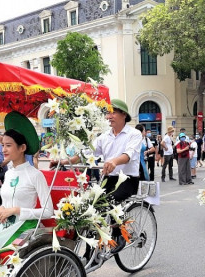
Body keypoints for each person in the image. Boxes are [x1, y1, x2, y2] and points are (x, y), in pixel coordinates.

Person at [54, 99, 142, 253]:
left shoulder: (134, 134)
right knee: (88, 208)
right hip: (107, 179)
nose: (109, 116)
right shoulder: (104, 136)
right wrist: (63, 161)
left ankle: (119, 234)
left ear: (124, 115)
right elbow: (88, 153)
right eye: (108, 113)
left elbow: (129, 154)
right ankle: (90, 249)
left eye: (113, 112)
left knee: (107, 202)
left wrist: (114, 161)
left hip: (127, 179)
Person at [0, 111, 54, 270]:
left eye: (8, 145)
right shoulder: (9, 173)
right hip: (4, 224)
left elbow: (48, 211)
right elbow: (7, 201)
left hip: (24, 226)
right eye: (3, 145)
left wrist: (16, 210)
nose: (3, 149)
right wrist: (2, 208)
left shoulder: (35, 175)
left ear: (22, 147)